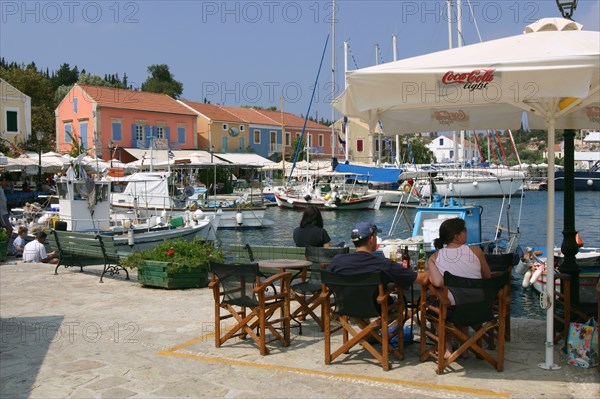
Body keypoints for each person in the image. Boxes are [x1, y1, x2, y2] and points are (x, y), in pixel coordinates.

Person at [426, 217, 491, 358]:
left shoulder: (435, 257)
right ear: (457, 236)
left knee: (434, 307)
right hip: (480, 308)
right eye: (465, 230)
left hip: (454, 310)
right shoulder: (476, 251)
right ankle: (466, 346)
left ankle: (447, 345)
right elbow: (487, 276)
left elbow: (437, 283)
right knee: (461, 299)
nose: (467, 233)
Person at [328, 221, 429, 290]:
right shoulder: (383, 263)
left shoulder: (338, 260)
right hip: (375, 307)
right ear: (371, 239)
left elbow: (328, 282)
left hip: (345, 306)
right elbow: (422, 279)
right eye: (376, 236)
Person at [0, 174, 13, 254]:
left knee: (6, 230)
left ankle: (4, 247)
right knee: (9, 229)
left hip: (4, 212)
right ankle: (4, 248)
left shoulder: (1, 188)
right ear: (4, 180)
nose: (7, 183)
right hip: (2, 213)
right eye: (6, 182)